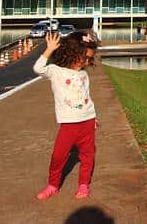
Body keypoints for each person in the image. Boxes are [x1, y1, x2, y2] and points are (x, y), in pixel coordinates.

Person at [34, 30, 99, 200]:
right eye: (84, 57)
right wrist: (48, 50)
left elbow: (87, 97)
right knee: (58, 156)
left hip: (87, 120)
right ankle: (53, 185)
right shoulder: (56, 72)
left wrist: (94, 117)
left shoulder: (84, 75)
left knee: (88, 155)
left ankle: (84, 184)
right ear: (72, 53)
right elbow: (38, 68)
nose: (86, 62)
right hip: (69, 124)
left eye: (89, 59)